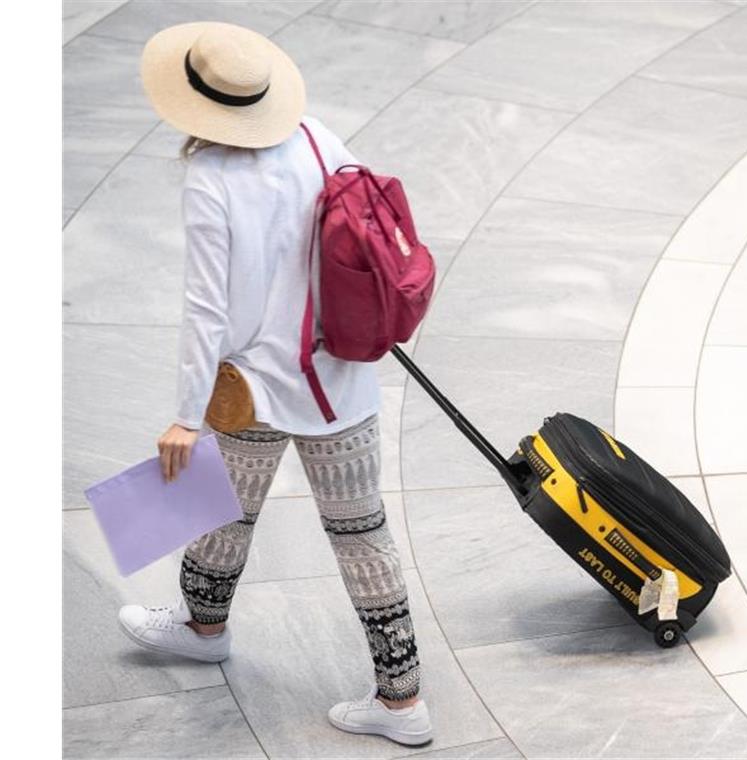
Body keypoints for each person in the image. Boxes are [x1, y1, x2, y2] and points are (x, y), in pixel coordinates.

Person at [114, 21, 431, 747]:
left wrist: (185, 416)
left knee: (219, 507)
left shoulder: (210, 179)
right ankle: (404, 700)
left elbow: (206, 308)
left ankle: (203, 628)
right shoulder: (319, 138)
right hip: (343, 377)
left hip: (255, 388)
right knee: (362, 536)